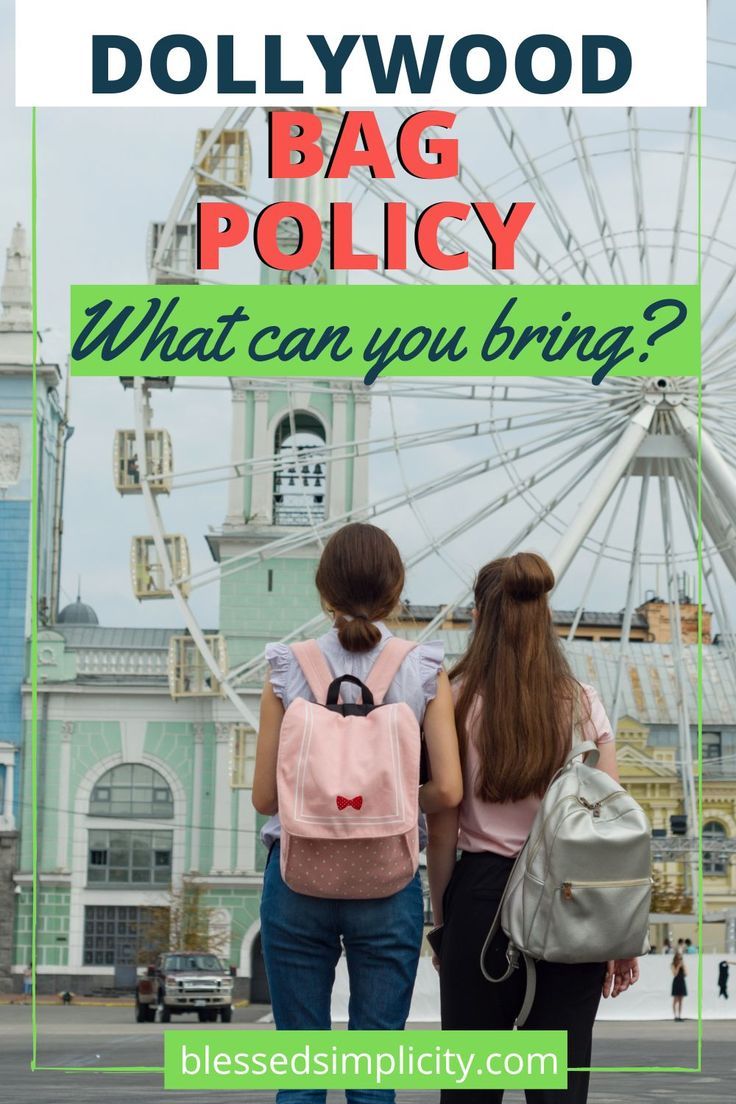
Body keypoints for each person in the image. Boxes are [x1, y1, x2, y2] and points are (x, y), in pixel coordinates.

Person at [252, 522, 463, 1104]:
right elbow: (447, 790)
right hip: (387, 876)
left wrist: (323, 798)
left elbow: (266, 798)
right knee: (374, 1076)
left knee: (300, 1073)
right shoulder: (424, 669)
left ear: (323, 593)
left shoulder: (284, 667)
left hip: (296, 874)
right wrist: (387, 798)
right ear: (395, 594)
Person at [427, 552, 640, 1104]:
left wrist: (444, 921)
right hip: (571, 903)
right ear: (545, 615)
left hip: (480, 899)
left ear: (479, 615)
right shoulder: (582, 702)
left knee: (472, 1088)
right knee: (560, 1089)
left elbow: (443, 827)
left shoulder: (452, 698)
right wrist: (619, 937)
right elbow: (608, 831)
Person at [671, 952, 687, 1020]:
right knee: (675, 999)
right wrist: (678, 966)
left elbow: (686, 974)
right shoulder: (673, 965)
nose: (680, 960)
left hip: (682, 981)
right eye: (679, 958)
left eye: (681, 958)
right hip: (676, 982)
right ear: (676, 958)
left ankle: (680, 1015)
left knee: (681, 1000)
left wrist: (683, 967)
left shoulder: (683, 965)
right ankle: (675, 1016)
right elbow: (675, 974)